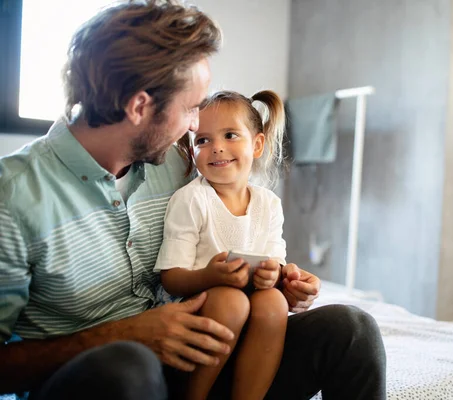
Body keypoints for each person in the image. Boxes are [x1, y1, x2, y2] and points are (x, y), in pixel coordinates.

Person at [0, 1, 386, 399]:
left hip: (201, 358)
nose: (196, 128)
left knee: (351, 330)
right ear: (139, 107)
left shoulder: (181, 161)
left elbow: (232, 239)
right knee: (125, 369)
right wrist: (122, 335)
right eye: (190, 109)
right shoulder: (12, 197)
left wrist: (275, 281)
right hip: (103, 381)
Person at [154, 89, 291, 400]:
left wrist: (274, 274)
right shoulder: (191, 199)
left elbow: (276, 262)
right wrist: (211, 276)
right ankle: (193, 395)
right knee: (232, 301)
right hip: (197, 309)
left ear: (257, 144)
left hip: (249, 310)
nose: (216, 148)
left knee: (274, 302)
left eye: (230, 135)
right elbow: (171, 278)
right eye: (203, 140)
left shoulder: (268, 203)